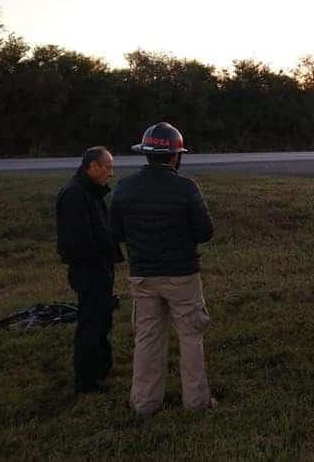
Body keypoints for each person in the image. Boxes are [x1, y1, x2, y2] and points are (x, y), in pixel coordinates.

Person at [110, 122, 216, 415]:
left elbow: (115, 233)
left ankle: (144, 404)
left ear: (147, 154)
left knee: (147, 338)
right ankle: (196, 403)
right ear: (175, 156)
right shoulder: (186, 187)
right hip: (182, 277)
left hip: (143, 276)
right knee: (191, 336)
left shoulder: (125, 187)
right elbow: (205, 231)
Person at [55, 146, 123, 394]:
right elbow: (78, 242)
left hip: (99, 270)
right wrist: (99, 264)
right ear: (92, 166)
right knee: (90, 323)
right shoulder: (74, 195)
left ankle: (101, 368)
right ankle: (86, 380)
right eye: (108, 167)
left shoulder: (90, 192)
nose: (111, 173)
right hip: (90, 272)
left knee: (102, 320)